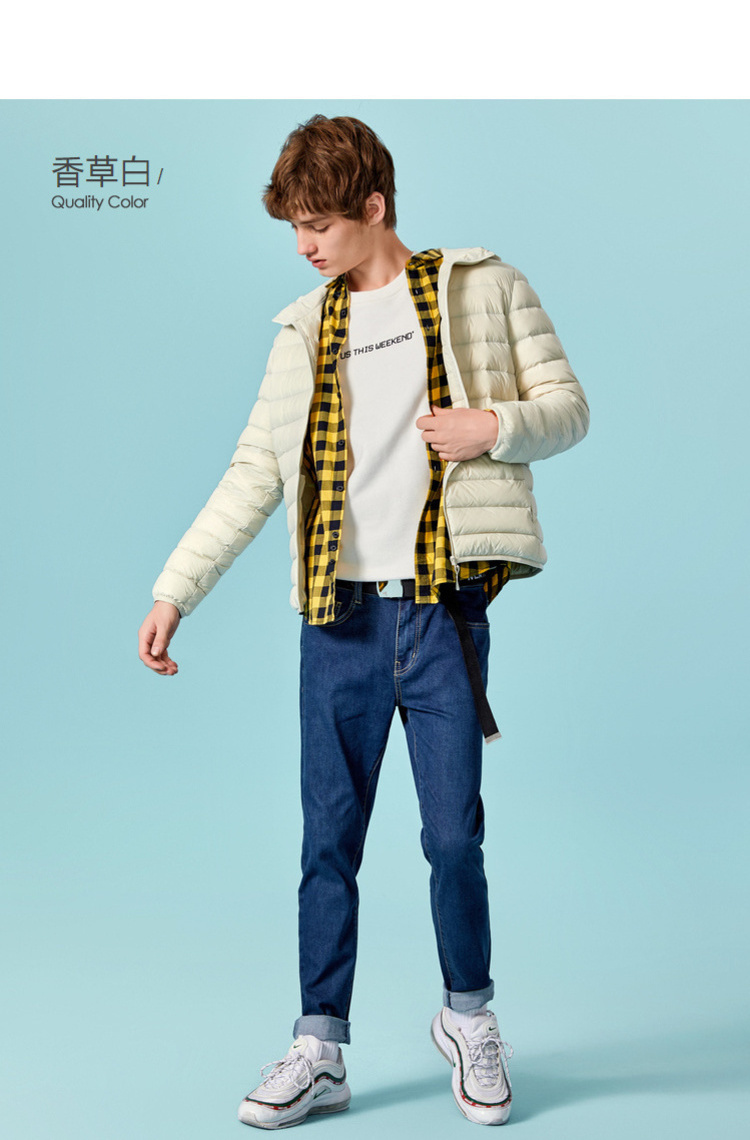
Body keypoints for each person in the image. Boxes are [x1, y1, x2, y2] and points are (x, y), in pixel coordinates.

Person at [138, 114, 589, 1129]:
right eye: (296, 228)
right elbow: (255, 473)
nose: (305, 246)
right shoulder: (304, 332)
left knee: (453, 836)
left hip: (441, 614)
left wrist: (494, 426)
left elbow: (568, 406)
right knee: (327, 842)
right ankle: (320, 1047)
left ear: (374, 206)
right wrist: (176, 590)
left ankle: (468, 1017)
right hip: (337, 623)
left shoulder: (482, 289)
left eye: (320, 226)